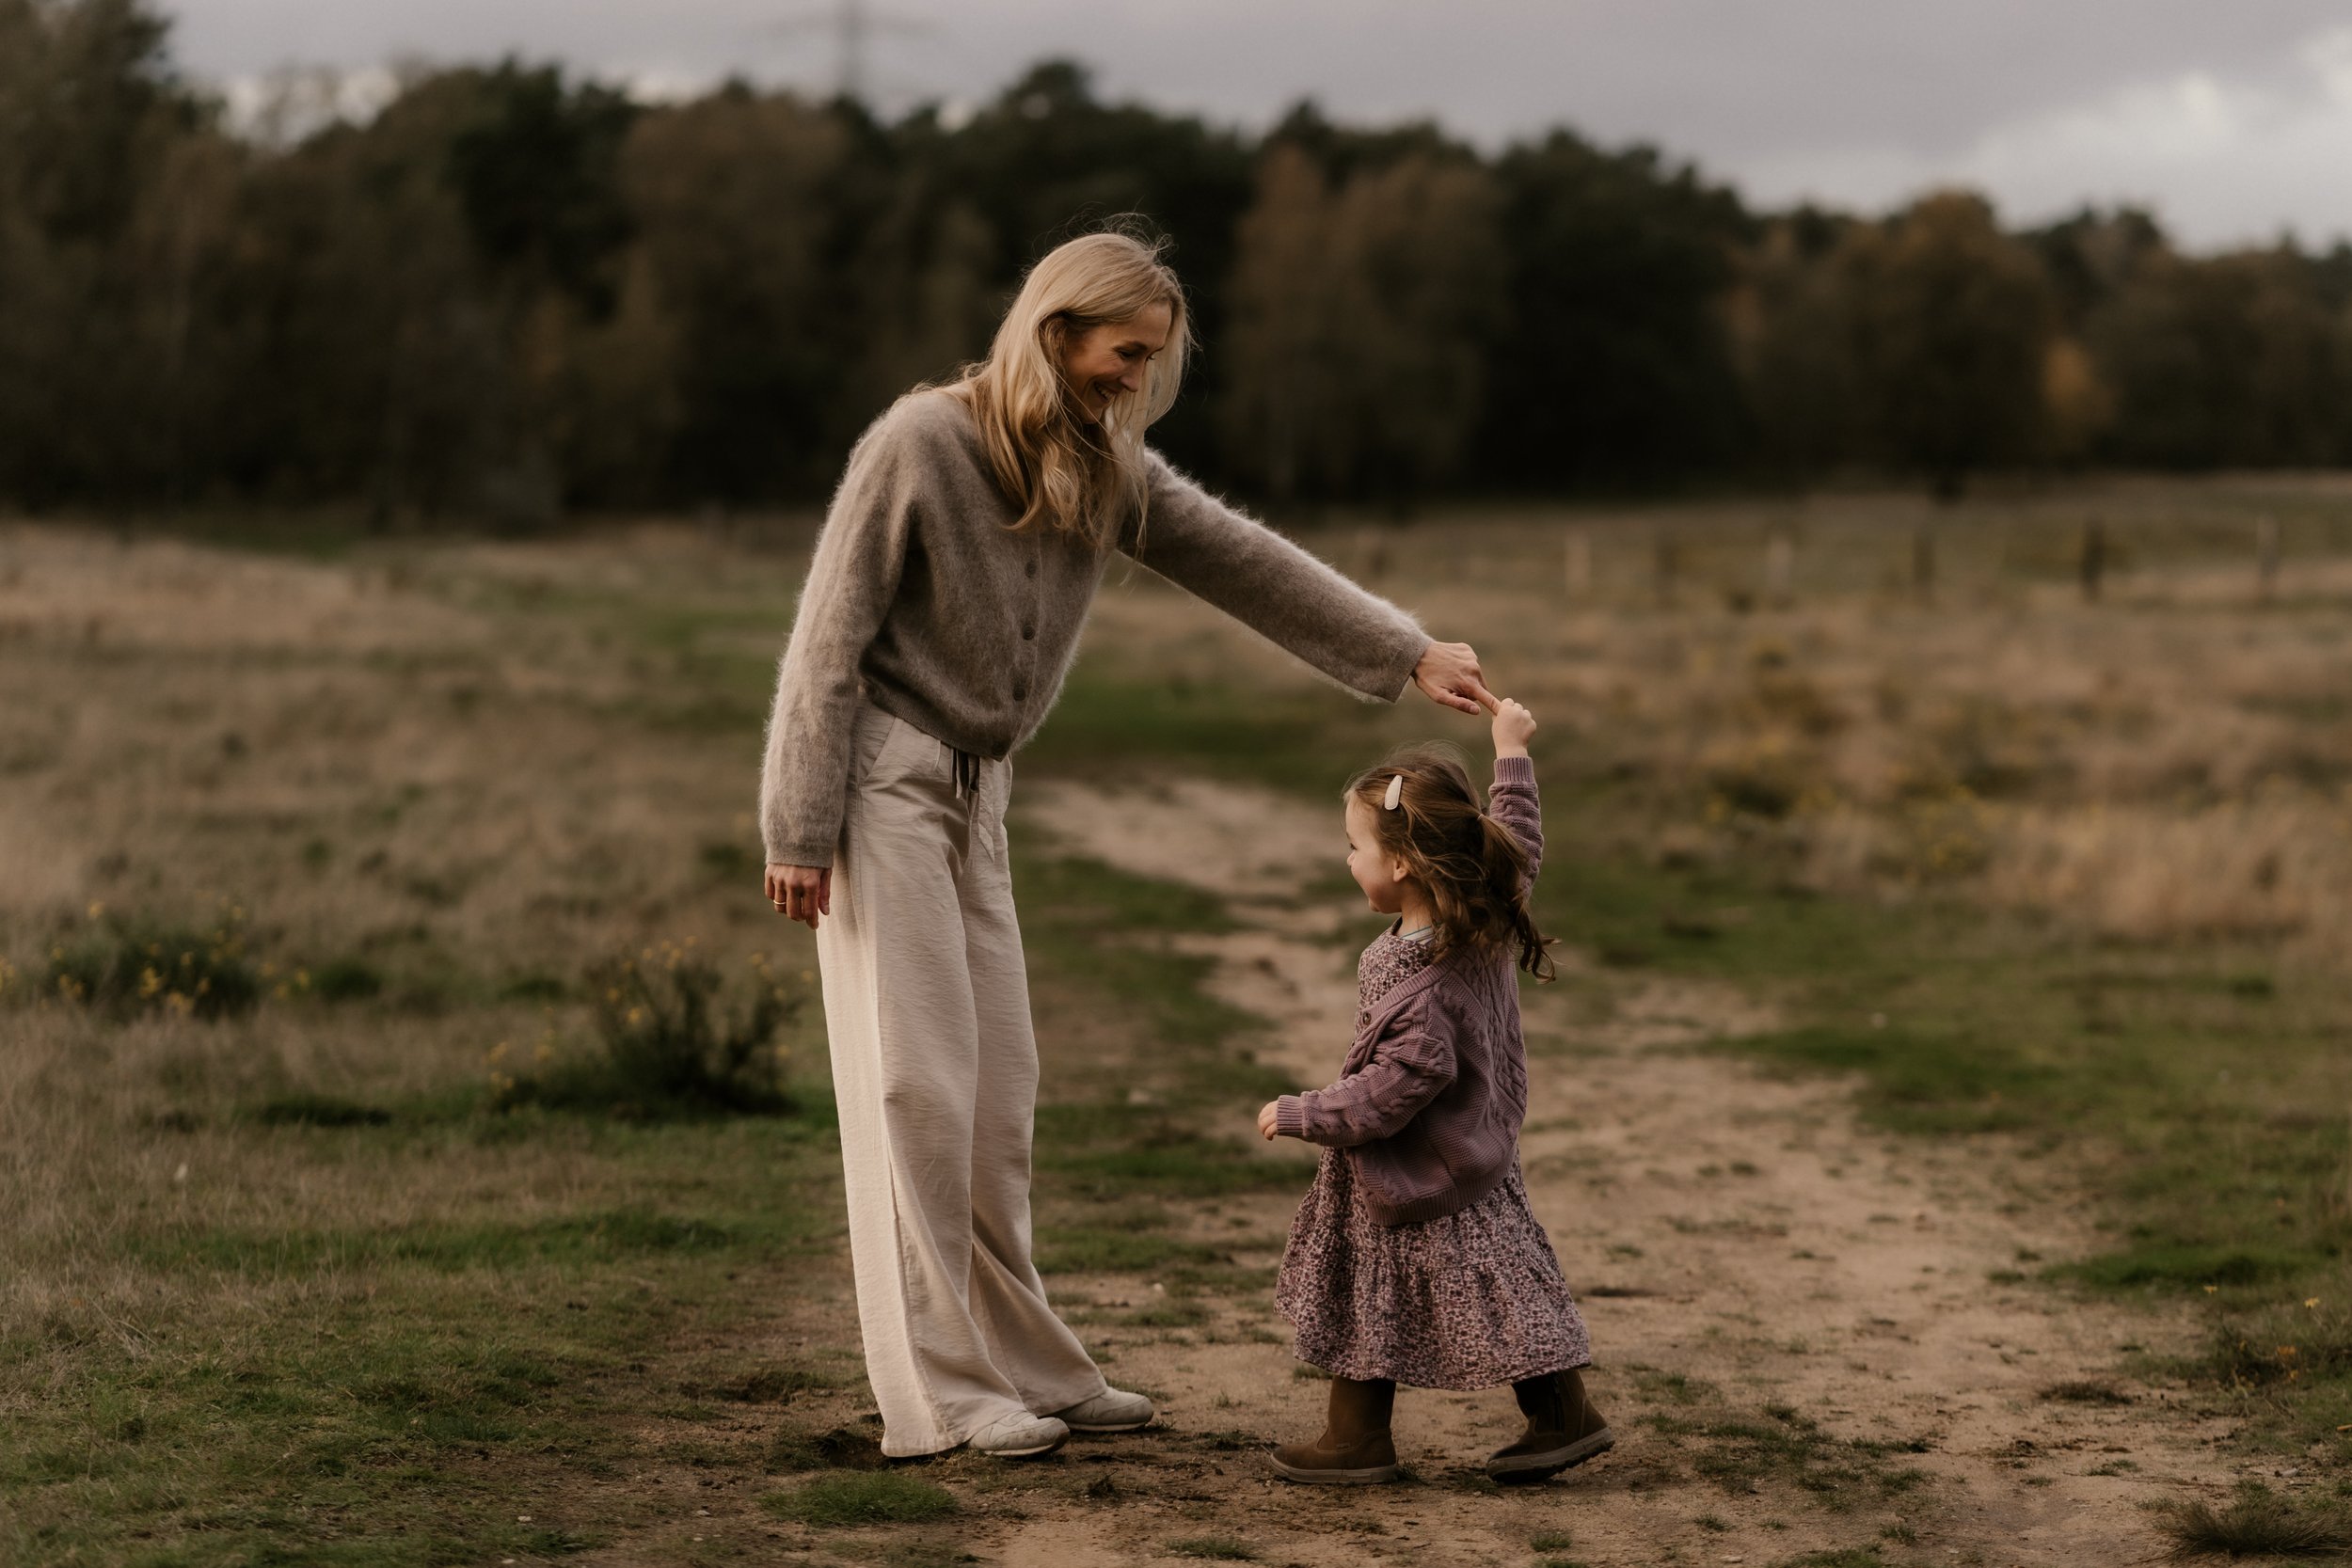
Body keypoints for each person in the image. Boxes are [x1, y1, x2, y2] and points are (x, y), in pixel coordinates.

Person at [757, 227, 1499, 1462]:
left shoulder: (1106, 467)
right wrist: (798, 817)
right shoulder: (920, 443)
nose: (1133, 379)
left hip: (978, 794)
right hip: (881, 787)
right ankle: (937, 1392)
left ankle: (1031, 1363)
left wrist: (1406, 649)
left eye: (1150, 363)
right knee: (918, 1089)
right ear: (1057, 331)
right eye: (1122, 354)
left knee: (999, 1101)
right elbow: (827, 639)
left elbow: (1243, 560)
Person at [1254, 697, 1613, 1484]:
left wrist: (1305, 1111)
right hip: (1461, 1148)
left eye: (1354, 847)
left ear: (1404, 865)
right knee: (1404, 1287)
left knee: (1451, 1288)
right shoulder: (1482, 906)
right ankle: (1365, 1435)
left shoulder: (1424, 984)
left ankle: (1554, 1415)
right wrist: (1509, 751)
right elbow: (1517, 841)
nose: (1348, 860)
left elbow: (1390, 1092)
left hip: (1421, 1162)